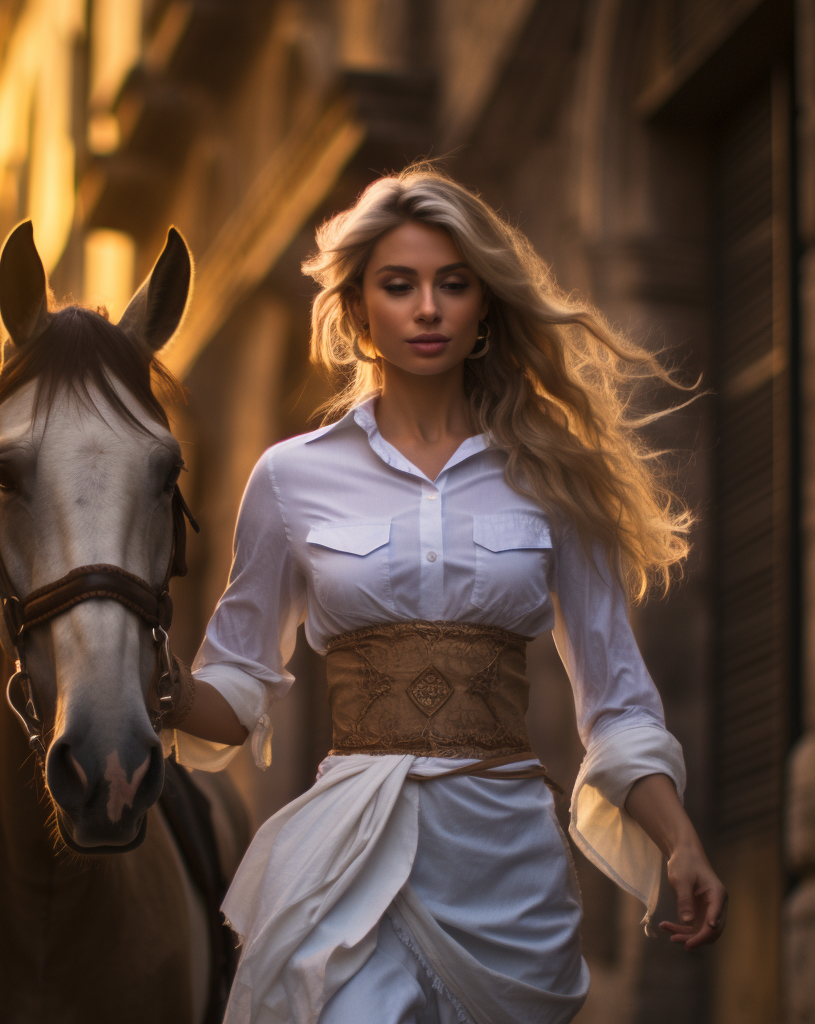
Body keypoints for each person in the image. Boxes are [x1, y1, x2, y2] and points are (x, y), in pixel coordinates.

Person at [159, 165, 727, 1024]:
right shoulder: (288, 478)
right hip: (347, 858)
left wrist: (678, 839)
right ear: (357, 311)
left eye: (453, 286)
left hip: (506, 869)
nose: (427, 308)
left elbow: (615, 702)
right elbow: (237, 690)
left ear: (483, 309)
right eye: (399, 285)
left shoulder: (550, 478)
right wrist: (152, 683)